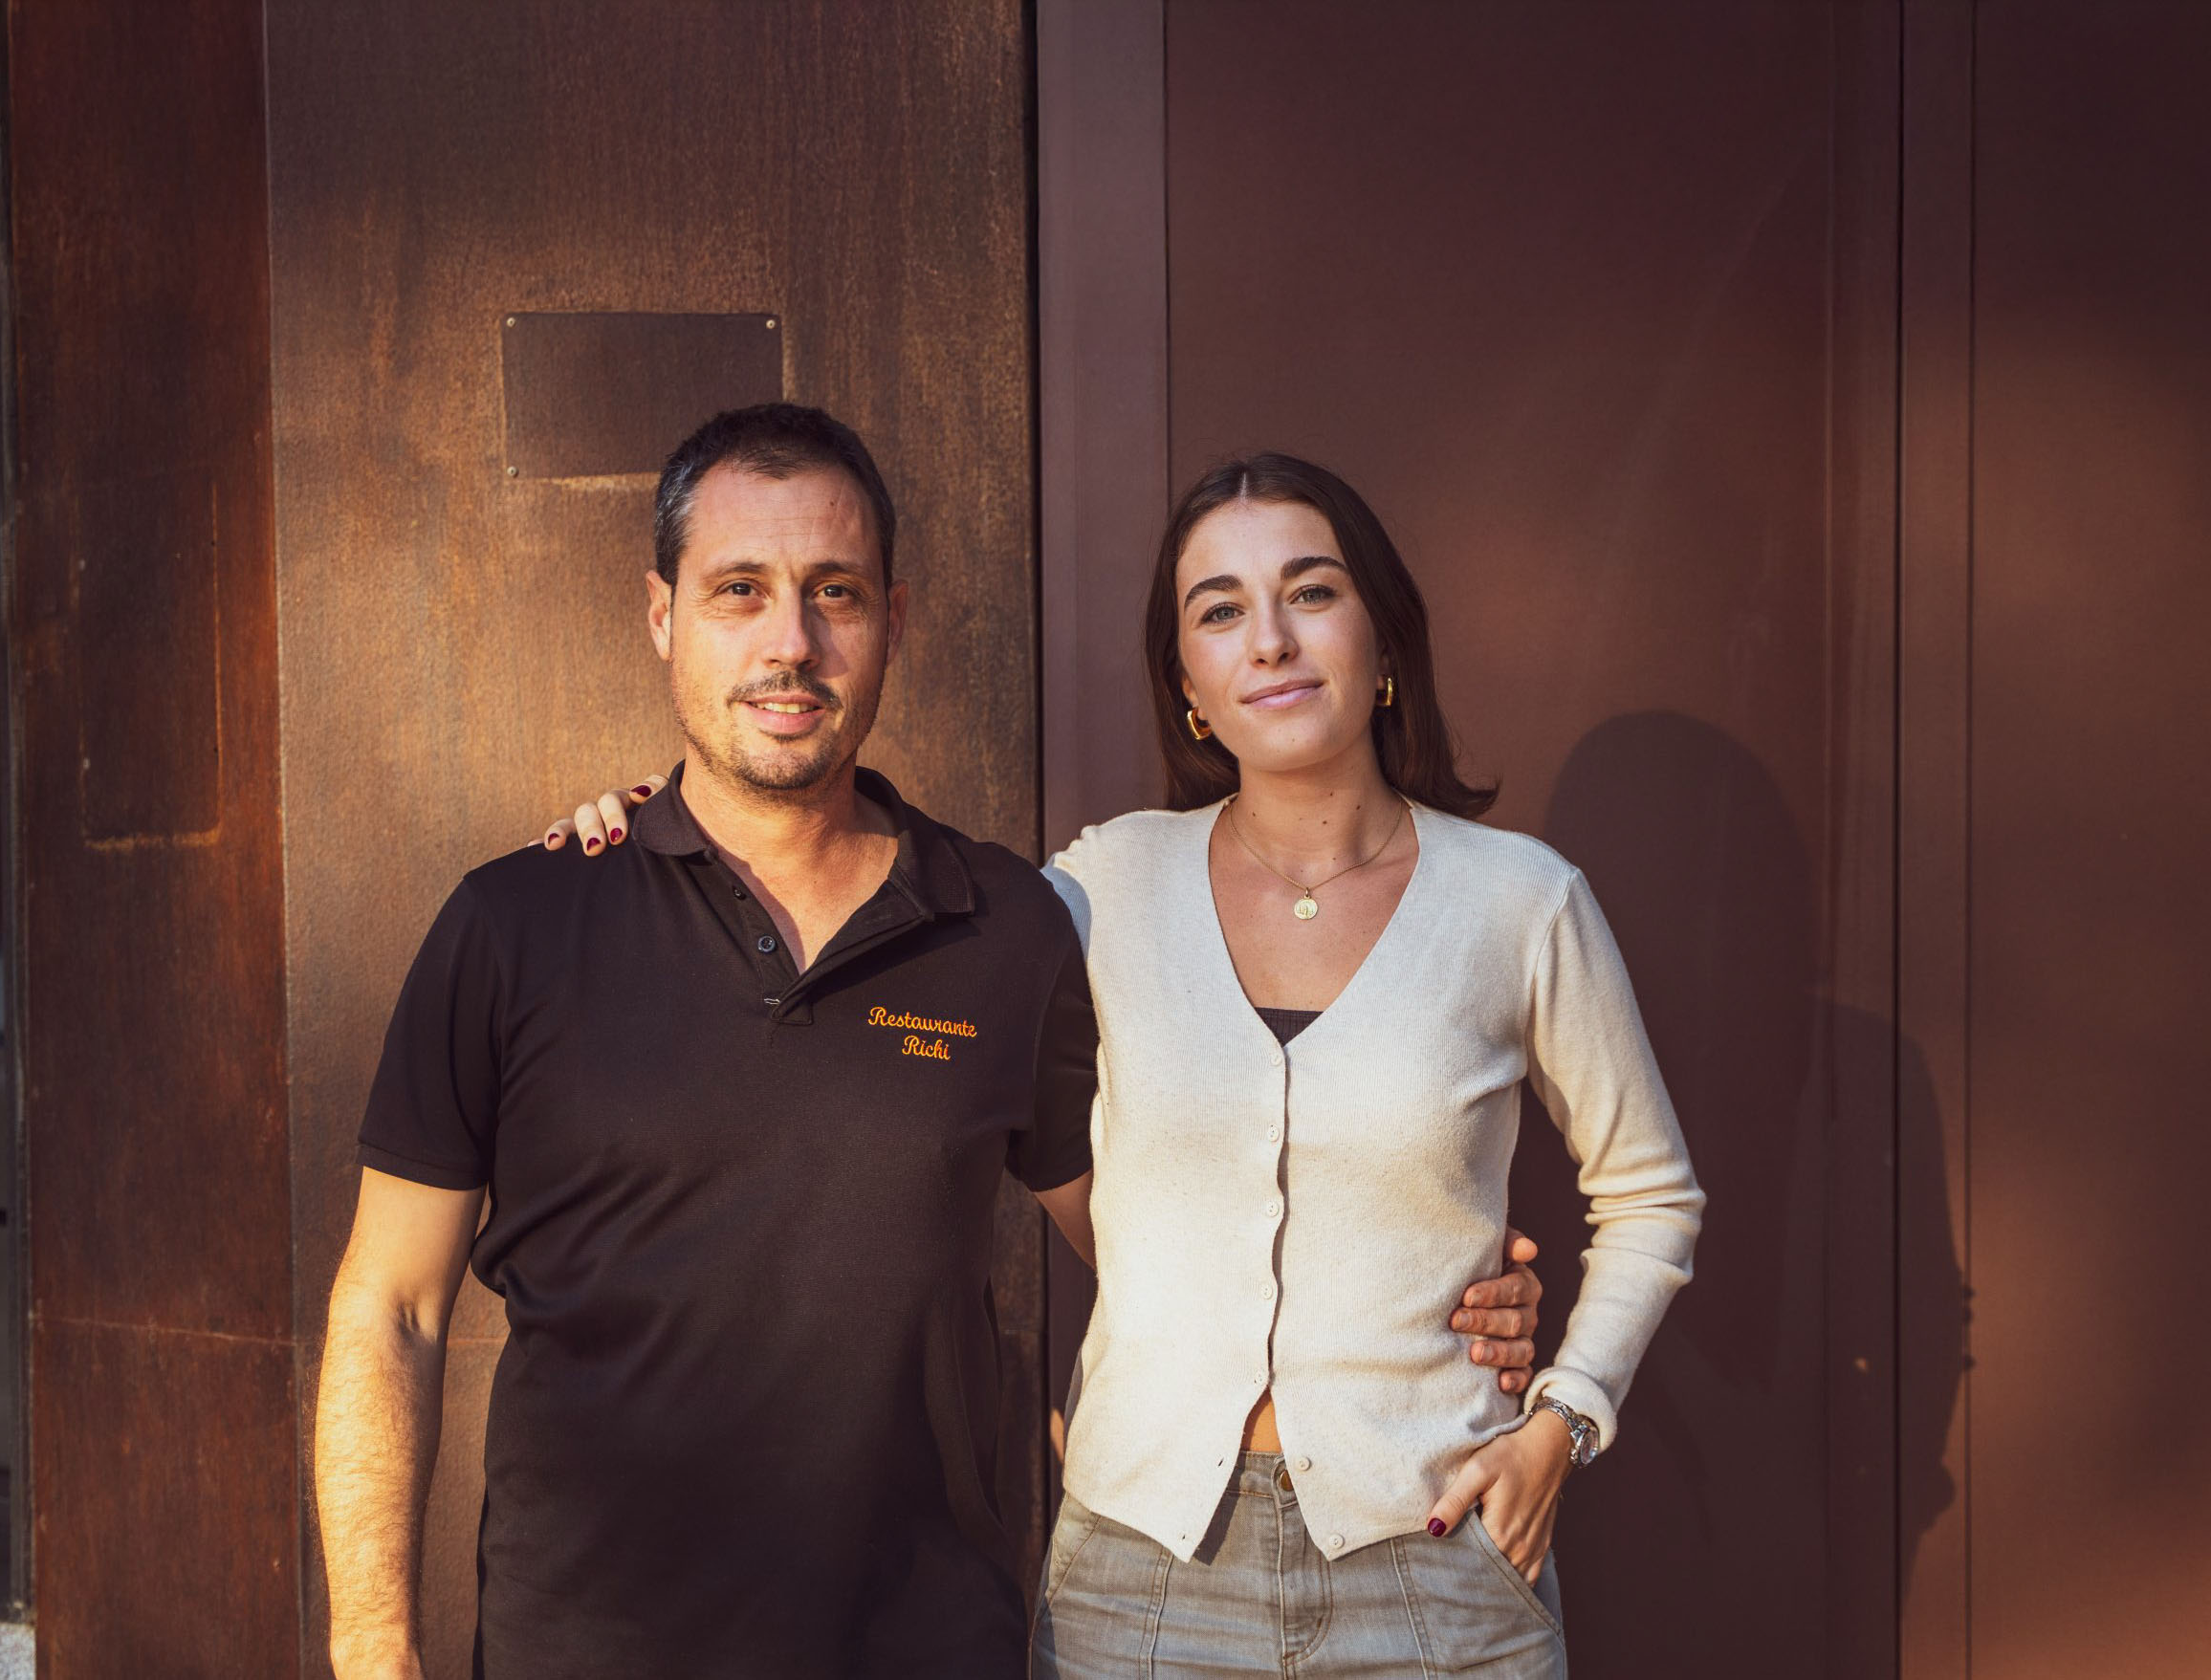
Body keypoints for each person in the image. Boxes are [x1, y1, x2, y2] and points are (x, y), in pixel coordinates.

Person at [316, 406, 1541, 1680]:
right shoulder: (518, 922)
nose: (791, 643)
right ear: (663, 615)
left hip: (924, 1647)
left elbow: (1169, 1245)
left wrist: (1432, 1277)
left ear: (891, 621)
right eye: (740, 590)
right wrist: (372, 1651)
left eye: (833, 592)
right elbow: (391, 1307)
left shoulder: (1007, 925)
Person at [549, 449, 1702, 1677]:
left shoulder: (1520, 902)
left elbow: (1650, 1193)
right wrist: (662, 833)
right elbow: (854, 970)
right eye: (1220, 610)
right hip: (1142, 1574)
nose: (1270, 639)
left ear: (1382, 640)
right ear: (1187, 682)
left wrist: (1562, 1416)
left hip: (1437, 1554)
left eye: (1311, 592)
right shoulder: (1098, 890)